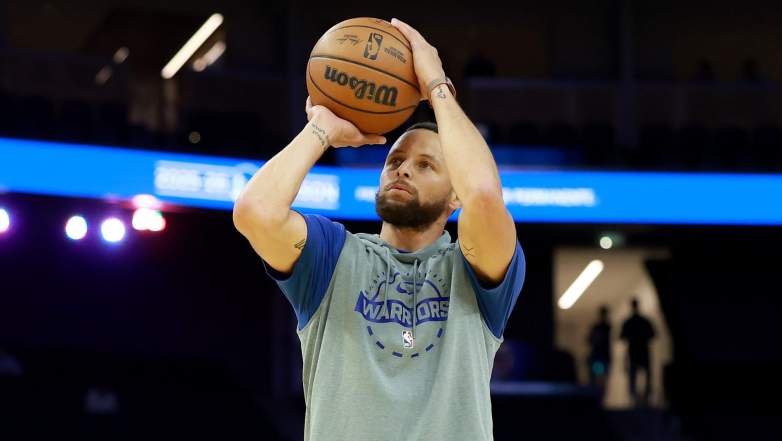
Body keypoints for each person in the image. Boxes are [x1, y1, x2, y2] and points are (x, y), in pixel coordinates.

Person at [233, 18, 526, 441]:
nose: (403, 170)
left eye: (425, 165)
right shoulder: (332, 256)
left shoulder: (475, 268)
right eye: (395, 161)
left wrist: (437, 86)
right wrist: (320, 129)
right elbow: (254, 212)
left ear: (454, 195)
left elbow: (483, 194)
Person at [620, 298, 656, 407]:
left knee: (634, 376)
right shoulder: (644, 321)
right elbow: (652, 335)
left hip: (635, 353)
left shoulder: (629, 322)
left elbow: (622, 337)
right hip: (641, 352)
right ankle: (643, 396)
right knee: (644, 375)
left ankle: (636, 396)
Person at [587, 305, 612, 400]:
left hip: (600, 357)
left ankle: (598, 398)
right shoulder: (605, 327)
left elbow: (590, 340)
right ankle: (598, 397)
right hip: (600, 357)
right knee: (599, 379)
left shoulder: (603, 327)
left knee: (599, 379)